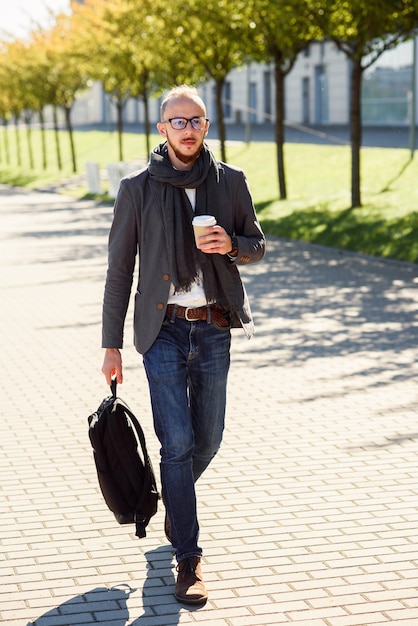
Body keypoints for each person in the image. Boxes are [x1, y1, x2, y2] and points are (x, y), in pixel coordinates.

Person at [101, 85, 266, 604]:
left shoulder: (231, 183)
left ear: (207, 127)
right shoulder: (137, 189)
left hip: (214, 324)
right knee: (176, 444)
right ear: (161, 129)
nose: (187, 129)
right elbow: (119, 271)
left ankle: (174, 497)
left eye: (195, 121)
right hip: (163, 329)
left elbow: (257, 245)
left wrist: (232, 246)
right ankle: (188, 559)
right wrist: (111, 345)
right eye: (178, 121)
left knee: (207, 439)